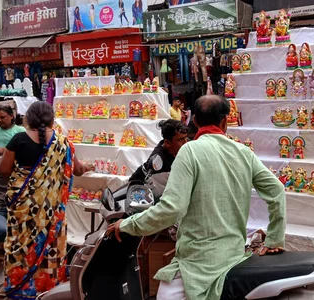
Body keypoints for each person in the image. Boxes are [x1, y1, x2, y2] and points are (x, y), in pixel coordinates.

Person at [107, 95, 286, 300]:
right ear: (225, 122)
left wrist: (128, 224)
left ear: (194, 122)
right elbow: (276, 191)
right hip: (233, 256)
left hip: (197, 262)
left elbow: (172, 209)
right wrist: (275, 239)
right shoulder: (243, 152)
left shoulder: (189, 152)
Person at [0, 102, 93, 298]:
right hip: (51, 210)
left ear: (29, 119)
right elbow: (77, 169)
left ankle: (20, 288)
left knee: (21, 245)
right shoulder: (63, 143)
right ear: (52, 119)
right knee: (50, 245)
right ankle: (48, 289)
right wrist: (89, 166)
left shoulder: (18, 139)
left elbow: (4, 170)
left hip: (23, 209)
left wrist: (27, 183)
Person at [129, 119, 188, 199]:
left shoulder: (177, 148)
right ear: (167, 143)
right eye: (180, 140)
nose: (185, 143)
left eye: (185, 138)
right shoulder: (159, 161)